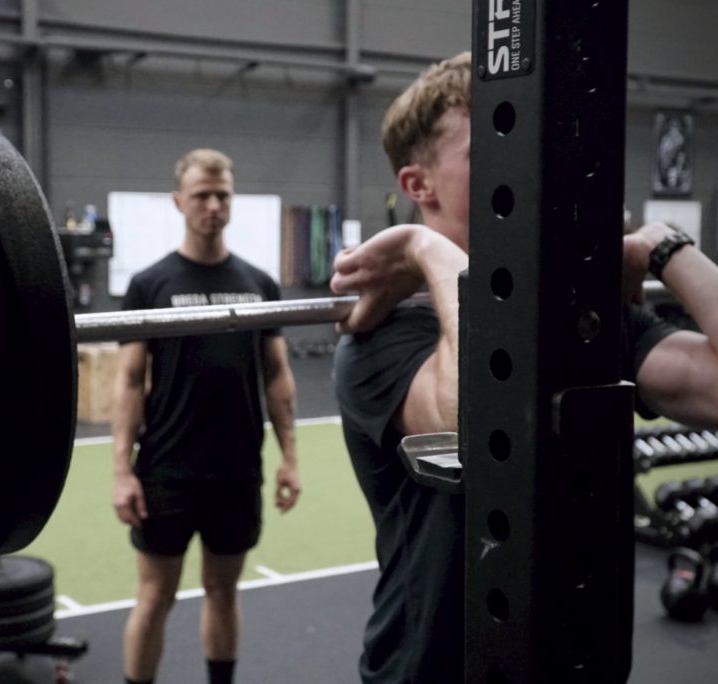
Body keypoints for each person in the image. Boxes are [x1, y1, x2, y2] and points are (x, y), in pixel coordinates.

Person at [329, 51, 718, 684]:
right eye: (489, 158)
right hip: (433, 667)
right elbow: (474, 423)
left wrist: (665, 248)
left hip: (574, 655)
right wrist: (426, 249)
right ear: (418, 185)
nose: (524, 174)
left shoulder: (582, 319)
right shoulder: (385, 336)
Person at [111, 148, 301, 684]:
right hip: (167, 469)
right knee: (155, 596)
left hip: (237, 470)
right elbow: (128, 382)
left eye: (223, 195)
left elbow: (277, 377)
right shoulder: (150, 285)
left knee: (223, 591)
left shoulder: (260, 284)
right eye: (202, 195)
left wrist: (290, 457)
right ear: (179, 201)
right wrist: (122, 470)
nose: (213, 205)